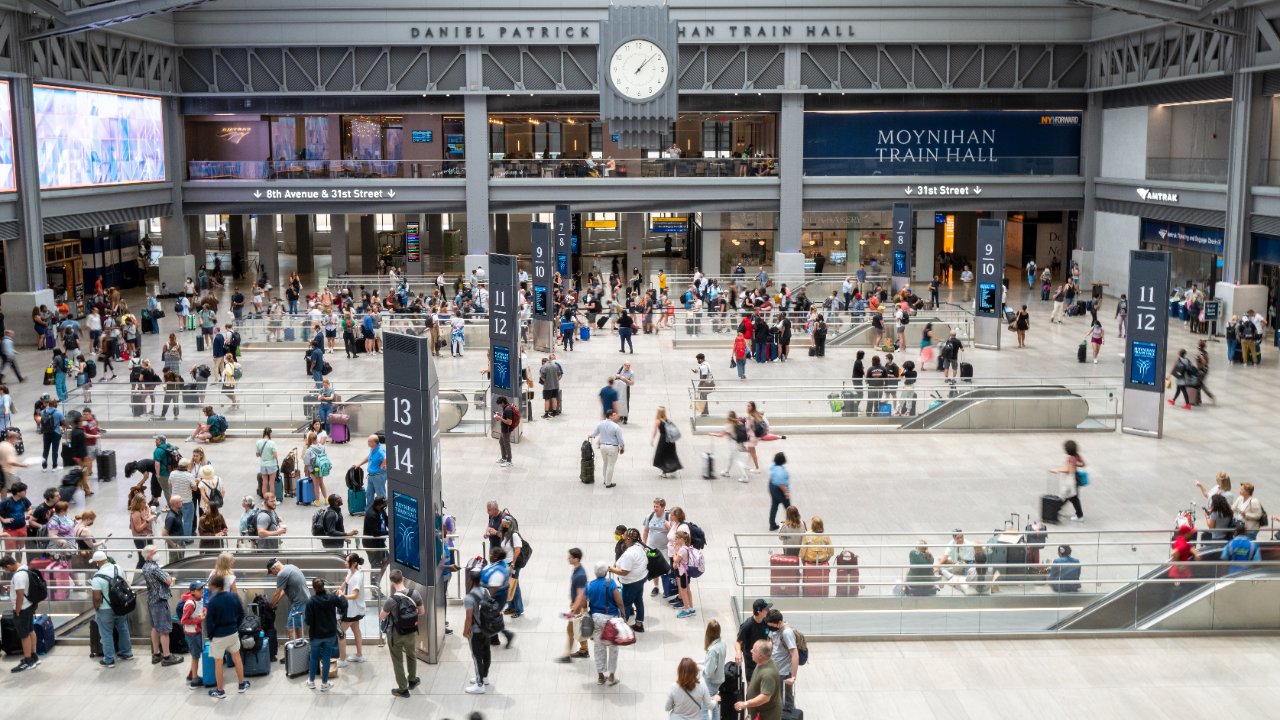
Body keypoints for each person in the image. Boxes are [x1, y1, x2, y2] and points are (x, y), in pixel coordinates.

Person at [204, 573, 250, 698]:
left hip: (218, 635)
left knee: (218, 663)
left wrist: (211, 636)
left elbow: (209, 622)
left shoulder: (212, 601)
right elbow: (241, 613)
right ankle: (241, 684)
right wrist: (236, 626)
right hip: (232, 632)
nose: (208, 587)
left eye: (209, 584)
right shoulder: (233, 597)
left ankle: (220, 691)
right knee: (237, 659)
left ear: (214, 586)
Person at [381, 569, 424, 698]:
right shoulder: (414, 594)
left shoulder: (391, 600)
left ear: (392, 583)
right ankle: (412, 680)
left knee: (397, 660)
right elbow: (421, 612)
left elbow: (381, 617)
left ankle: (403, 689)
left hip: (394, 634)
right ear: (403, 579)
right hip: (410, 632)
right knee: (411, 655)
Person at [139, 545, 185, 666]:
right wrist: (167, 574)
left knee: (155, 628)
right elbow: (168, 580)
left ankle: (156, 653)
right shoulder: (155, 568)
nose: (157, 553)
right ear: (149, 555)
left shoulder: (145, 566)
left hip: (151, 600)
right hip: (160, 601)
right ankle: (167, 656)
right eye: (155, 552)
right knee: (164, 630)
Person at [90, 550, 134, 667]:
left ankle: (109, 659)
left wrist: (97, 609)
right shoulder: (117, 568)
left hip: (105, 610)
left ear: (97, 563)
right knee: (123, 628)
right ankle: (127, 652)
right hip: (120, 606)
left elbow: (96, 598)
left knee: (106, 633)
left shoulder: (97, 577)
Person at [303, 577, 346, 691]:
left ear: (313, 589)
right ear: (324, 587)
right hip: (330, 634)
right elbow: (344, 605)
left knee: (314, 657)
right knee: (326, 658)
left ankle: (311, 682)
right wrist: (341, 595)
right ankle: (324, 683)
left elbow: (308, 621)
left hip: (316, 635)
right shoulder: (332, 598)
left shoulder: (310, 602)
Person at [586, 560, 625, 686]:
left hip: (597, 620)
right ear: (606, 572)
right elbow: (619, 601)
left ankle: (600, 677)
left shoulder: (589, 585)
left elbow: (582, 604)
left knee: (599, 648)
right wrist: (623, 614)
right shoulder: (611, 583)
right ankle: (611, 676)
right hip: (611, 620)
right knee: (613, 647)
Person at [0, 554, 42, 671]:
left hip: (22, 608)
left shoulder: (18, 576)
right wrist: (12, 587)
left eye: (5, 568)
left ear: (8, 565)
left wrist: (17, 610)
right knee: (30, 630)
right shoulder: (25, 568)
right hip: (30, 605)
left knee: (24, 635)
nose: (5, 571)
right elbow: (23, 588)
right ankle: (34, 657)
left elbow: (19, 596)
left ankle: (28, 661)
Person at [609, 527, 649, 632]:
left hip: (631, 583)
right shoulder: (640, 546)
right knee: (639, 602)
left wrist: (611, 569)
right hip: (641, 578)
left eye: (624, 536)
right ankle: (639, 624)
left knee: (626, 604)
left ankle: (622, 630)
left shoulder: (629, 553)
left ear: (628, 539)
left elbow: (624, 571)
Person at [464, 567, 497, 694]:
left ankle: (479, 684)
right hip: (485, 629)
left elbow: (468, 618)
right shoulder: (485, 592)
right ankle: (485, 676)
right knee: (486, 652)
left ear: (470, 580)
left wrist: (465, 631)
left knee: (477, 656)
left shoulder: (469, 597)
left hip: (476, 631)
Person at [557, 547, 591, 663]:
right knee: (579, 627)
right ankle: (584, 650)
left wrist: (572, 610)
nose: (568, 559)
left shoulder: (580, 574)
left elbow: (580, 595)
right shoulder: (577, 570)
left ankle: (567, 656)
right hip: (576, 604)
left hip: (578, 605)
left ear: (576, 559)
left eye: (570, 557)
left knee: (570, 629)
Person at [736, 639, 782, 720]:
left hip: (767, 715)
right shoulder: (762, 662)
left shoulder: (768, 674)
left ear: (761, 655)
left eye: (753, 650)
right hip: (760, 713)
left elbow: (765, 697)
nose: (751, 651)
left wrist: (746, 704)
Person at [268, 558, 311, 642]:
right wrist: (276, 601)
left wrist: (270, 606)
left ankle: (292, 653)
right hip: (305, 600)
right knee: (298, 626)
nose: (273, 574)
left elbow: (277, 593)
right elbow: (284, 590)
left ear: (274, 568)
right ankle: (300, 650)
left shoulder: (281, 574)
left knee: (290, 628)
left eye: (271, 572)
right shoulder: (290, 567)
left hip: (299, 602)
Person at [764, 609, 799, 710]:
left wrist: (793, 677)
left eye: (772, 625)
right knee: (775, 698)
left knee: (785, 701)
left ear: (779, 622)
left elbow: (795, 655)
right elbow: (771, 640)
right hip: (774, 668)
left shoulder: (787, 633)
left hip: (783, 672)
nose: (770, 628)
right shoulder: (774, 628)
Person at [1050, 439, 1086, 523]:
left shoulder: (1070, 458)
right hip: (1076, 477)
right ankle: (1058, 509)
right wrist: (1077, 464)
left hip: (1072, 479)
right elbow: (1084, 464)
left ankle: (1079, 515)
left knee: (1070, 496)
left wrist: (1056, 470)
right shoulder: (1077, 456)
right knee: (1071, 496)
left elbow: (1068, 470)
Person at [590, 408, 625, 488]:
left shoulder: (600, 424)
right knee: (610, 465)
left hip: (603, 447)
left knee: (605, 463)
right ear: (610, 416)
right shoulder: (616, 426)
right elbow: (620, 439)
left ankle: (605, 480)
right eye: (614, 415)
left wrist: (591, 436)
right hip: (612, 447)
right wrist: (622, 446)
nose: (616, 416)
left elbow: (595, 433)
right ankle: (608, 483)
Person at [710, 411, 749, 483]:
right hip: (738, 442)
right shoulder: (739, 423)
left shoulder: (729, 425)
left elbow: (721, 435)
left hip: (733, 443)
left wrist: (713, 434)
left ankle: (744, 476)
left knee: (737, 460)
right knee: (730, 457)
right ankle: (726, 472)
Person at [651, 407, 683, 478]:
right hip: (671, 440)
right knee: (671, 455)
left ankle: (664, 472)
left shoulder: (658, 421)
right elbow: (674, 427)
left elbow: (655, 432)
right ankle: (673, 468)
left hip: (663, 440)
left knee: (662, 456)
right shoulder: (669, 419)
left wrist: (652, 440)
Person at [767, 452, 790, 531]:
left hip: (772, 487)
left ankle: (772, 524)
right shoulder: (781, 471)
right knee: (789, 508)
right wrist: (786, 493)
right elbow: (781, 484)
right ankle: (792, 524)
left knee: (774, 505)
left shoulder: (773, 465)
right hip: (779, 490)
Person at [256, 428, 279, 498]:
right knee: (271, 483)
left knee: (264, 483)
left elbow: (257, 455)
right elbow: (275, 456)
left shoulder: (258, 442)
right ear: (270, 433)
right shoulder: (272, 443)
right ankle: (271, 499)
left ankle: (265, 500)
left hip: (263, 465)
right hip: (272, 465)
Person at [493, 396, 514, 467]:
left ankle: (509, 461)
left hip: (506, 430)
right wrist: (500, 415)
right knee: (501, 442)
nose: (499, 405)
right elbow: (505, 417)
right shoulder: (505, 408)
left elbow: (509, 422)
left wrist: (500, 418)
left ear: (502, 402)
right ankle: (504, 457)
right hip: (503, 429)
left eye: (499, 404)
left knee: (506, 444)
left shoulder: (508, 410)